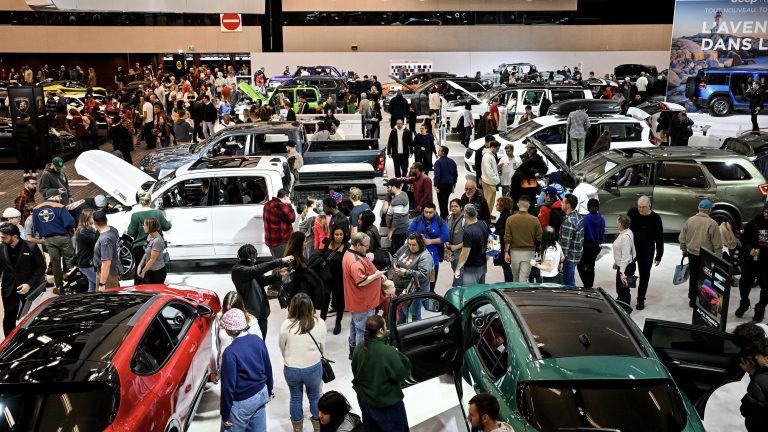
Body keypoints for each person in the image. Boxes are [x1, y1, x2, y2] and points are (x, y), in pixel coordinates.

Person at [351, 315, 411, 432]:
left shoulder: (359, 347)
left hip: (364, 401)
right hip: (386, 405)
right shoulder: (388, 352)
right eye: (385, 325)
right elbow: (402, 374)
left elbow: (354, 369)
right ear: (381, 330)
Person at [219, 309, 274, 432]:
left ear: (229, 330)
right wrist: (269, 390)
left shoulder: (230, 353)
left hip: (242, 403)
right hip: (261, 394)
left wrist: (225, 414)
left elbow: (228, 387)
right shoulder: (257, 340)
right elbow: (268, 368)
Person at [279, 293, 327, 432]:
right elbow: (322, 346)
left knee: (295, 398)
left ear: (292, 307)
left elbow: (282, 346)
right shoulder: (319, 322)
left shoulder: (286, 325)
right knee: (314, 396)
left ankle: (298, 429)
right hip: (313, 367)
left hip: (291, 368)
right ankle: (318, 427)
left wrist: (289, 357)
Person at [342, 233, 386, 360]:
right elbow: (361, 281)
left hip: (357, 301)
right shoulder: (355, 262)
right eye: (365, 246)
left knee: (355, 325)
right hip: (363, 302)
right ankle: (361, 356)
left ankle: (353, 349)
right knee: (363, 330)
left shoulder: (350, 253)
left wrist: (376, 273)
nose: (367, 249)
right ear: (357, 245)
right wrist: (377, 275)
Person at [0, 223, 45, 338]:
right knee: (9, 317)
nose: (1, 239)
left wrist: (29, 284)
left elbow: (41, 267)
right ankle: (9, 343)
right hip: (9, 288)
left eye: (4, 237)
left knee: (30, 318)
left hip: (29, 289)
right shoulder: (1, 248)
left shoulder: (31, 247)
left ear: (14, 236)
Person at [210, 291, 263, 385]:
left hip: (246, 369)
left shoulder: (252, 322)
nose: (229, 317)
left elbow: (259, 349)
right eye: (226, 312)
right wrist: (213, 369)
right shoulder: (219, 319)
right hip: (226, 367)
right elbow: (214, 345)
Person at [679, 199, 724, 308]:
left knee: (693, 276)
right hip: (706, 256)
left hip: (692, 254)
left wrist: (684, 249)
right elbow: (717, 244)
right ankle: (703, 298)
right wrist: (718, 260)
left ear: (699, 208)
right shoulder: (712, 224)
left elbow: (682, 238)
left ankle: (692, 299)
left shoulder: (689, 221)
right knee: (705, 277)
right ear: (709, 210)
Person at [32, 189, 75, 294]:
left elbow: (36, 226)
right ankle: (73, 284)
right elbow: (70, 222)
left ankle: (59, 286)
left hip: (48, 240)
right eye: (59, 196)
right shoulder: (59, 207)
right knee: (70, 262)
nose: (60, 198)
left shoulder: (36, 209)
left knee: (55, 263)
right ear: (52, 197)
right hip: (63, 237)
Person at [628, 195, 664, 310]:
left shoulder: (656, 218)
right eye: (639, 207)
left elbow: (659, 238)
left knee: (644, 276)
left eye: (643, 207)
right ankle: (625, 297)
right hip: (632, 249)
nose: (641, 210)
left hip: (647, 252)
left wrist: (659, 255)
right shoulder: (632, 212)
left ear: (650, 206)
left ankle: (640, 299)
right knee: (628, 272)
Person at [736, 202, 768, 321]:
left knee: (766, 289)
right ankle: (744, 303)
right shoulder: (754, 223)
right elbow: (743, 240)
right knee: (744, 283)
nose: (766, 215)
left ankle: (760, 309)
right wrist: (749, 249)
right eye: (765, 212)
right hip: (751, 260)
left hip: (766, 264)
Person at [503, 196, 542, 283]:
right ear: (529, 205)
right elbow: (540, 237)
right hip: (529, 252)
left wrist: (506, 252)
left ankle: (515, 293)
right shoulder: (535, 220)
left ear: (517, 204)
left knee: (515, 277)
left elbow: (507, 237)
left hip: (514, 252)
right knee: (523, 278)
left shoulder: (510, 219)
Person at [284, 232, 325, 311]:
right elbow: (293, 277)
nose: (306, 244)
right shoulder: (291, 258)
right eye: (305, 241)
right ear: (299, 243)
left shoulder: (299, 255)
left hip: (302, 294)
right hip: (298, 297)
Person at [320, 225, 350, 334]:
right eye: (336, 234)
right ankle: (322, 321)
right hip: (327, 276)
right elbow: (322, 255)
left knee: (340, 300)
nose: (339, 237)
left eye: (341, 234)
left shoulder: (347, 246)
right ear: (333, 235)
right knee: (325, 296)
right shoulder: (328, 243)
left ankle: (338, 322)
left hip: (340, 278)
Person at [455, 204, 490, 285]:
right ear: (476, 213)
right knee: (481, 291)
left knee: (470, 293)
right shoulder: (483, 224)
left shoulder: (468, 232)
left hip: (472, 268)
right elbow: (489, 240)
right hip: (483, 264)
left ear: (465, 214)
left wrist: (458, 268)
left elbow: (464, 254)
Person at [740, 338, 768, 432]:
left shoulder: (759, 381)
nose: (755, 357)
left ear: (767, 358)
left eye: (758, 354)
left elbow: (746, 410)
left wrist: (756, 376)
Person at [577, 198, 605, 289]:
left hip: (586, 245)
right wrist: (600, 243)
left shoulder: (585, 219)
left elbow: (582, 233)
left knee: (580, 266)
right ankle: (590, 285)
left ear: (588, 207)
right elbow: (602, 232)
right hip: (596, 246)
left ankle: (587, 284)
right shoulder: (601, 218)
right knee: (591, 266)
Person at [558, 194, 584, 287]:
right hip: (576, 255)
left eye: (563, 202)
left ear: (568, 205)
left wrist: (561, 259)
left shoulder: (569, 222)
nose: (561, 203)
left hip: (569, 258)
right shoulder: (579, 217)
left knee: (569, 283)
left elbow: (565, 244)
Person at [613, 214, 637, 313]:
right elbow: (623, 252)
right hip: (623, 265)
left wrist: (622, 272)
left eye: (617, 221)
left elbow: (626, 256)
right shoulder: (626, 232)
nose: (616, 222)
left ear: (621, 223)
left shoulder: (625, 237)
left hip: (626, 267)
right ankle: (621, 303)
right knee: (620, 288)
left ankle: (626, 310)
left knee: (624, 289)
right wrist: (616, 262)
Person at [92, 210, 122, 290]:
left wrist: (102, 284)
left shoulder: (105, 240)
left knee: (106, 300)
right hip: (114, 269)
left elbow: (106, 263)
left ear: (94, 222)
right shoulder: (113, 230)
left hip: (108, 275)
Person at [263, 189, 296, 259]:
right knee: (283, 264)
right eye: (289, 198)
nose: (289, 199)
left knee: (276, 261)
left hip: (271, 240)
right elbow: (292, 218)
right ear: (285, 197)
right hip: (280, 241)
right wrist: (289, 205)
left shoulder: (268, 204)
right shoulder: (281, 206)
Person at [135, 217, 168, 284]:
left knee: (155, 292)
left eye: (144, 225)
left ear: (149, 226)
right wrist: (140, 266)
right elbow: (146, 252)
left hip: (157, 272)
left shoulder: (157, 241)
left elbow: (152, 260)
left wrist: (143, 271)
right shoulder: (150, 236)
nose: (143, 226)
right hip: (149, 269)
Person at [74, 208, 99, 292]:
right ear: (88, 218)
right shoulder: (84, 231)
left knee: (93, 286)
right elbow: (96, 240)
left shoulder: (85, 230)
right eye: (93, 217)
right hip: (87, 264)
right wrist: (100, 228)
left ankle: (91, 302)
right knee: (100, 284)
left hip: (85, 263)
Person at [492, 197, 515, 282]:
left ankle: (509, 282)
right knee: (505, 265)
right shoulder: (505, 215)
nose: (496, 206)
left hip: (504, 243)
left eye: (498, 204)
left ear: (503, 206)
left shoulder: (506, 216)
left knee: (505, 265)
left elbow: (506, 231)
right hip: (502, 242)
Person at [384, 179, 409, 254]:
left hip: (398, 231)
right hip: (401, 228)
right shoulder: (403, 193)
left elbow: (396, 218)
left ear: (394, 187)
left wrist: (391, 231)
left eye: (388, 187)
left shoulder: (398, 200)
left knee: (398, 252)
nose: (387, 189)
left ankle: (397, 265)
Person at [445, 199, 465, 287]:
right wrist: (446, 242)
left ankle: (458, 289)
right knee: (454, 268)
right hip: (450, 251)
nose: (453, 208)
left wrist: (457, 246)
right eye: (452, 206)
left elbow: (470, 239)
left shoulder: (465, 219)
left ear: (461, 207)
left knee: (459, 271)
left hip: (461, 252)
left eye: (456, 206)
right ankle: (456, 284)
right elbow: (445, 232)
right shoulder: (449, 217)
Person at [433, 146, 458, 218]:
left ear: (443, 153)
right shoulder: (452, 162)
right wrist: (454, 184)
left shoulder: (438, 162)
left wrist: (435, 185)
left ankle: (444, 218)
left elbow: (437, 175)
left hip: (441, 186)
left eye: (439, 150)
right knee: (445, 202)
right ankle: (445, 217)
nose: (438, 151)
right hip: (449, 185)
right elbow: (455, 175)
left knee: (442, 204)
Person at [480, 141, 501, 210]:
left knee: (490, 202)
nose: (497, 151)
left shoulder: (490, 155)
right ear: (492, 147)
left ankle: (489, 215)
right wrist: (496, 180)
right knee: (488, 202)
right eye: (497, 149)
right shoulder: (487, 157)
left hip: (489, 181)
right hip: (489, 182)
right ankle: (487, 218)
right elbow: (489, 171)